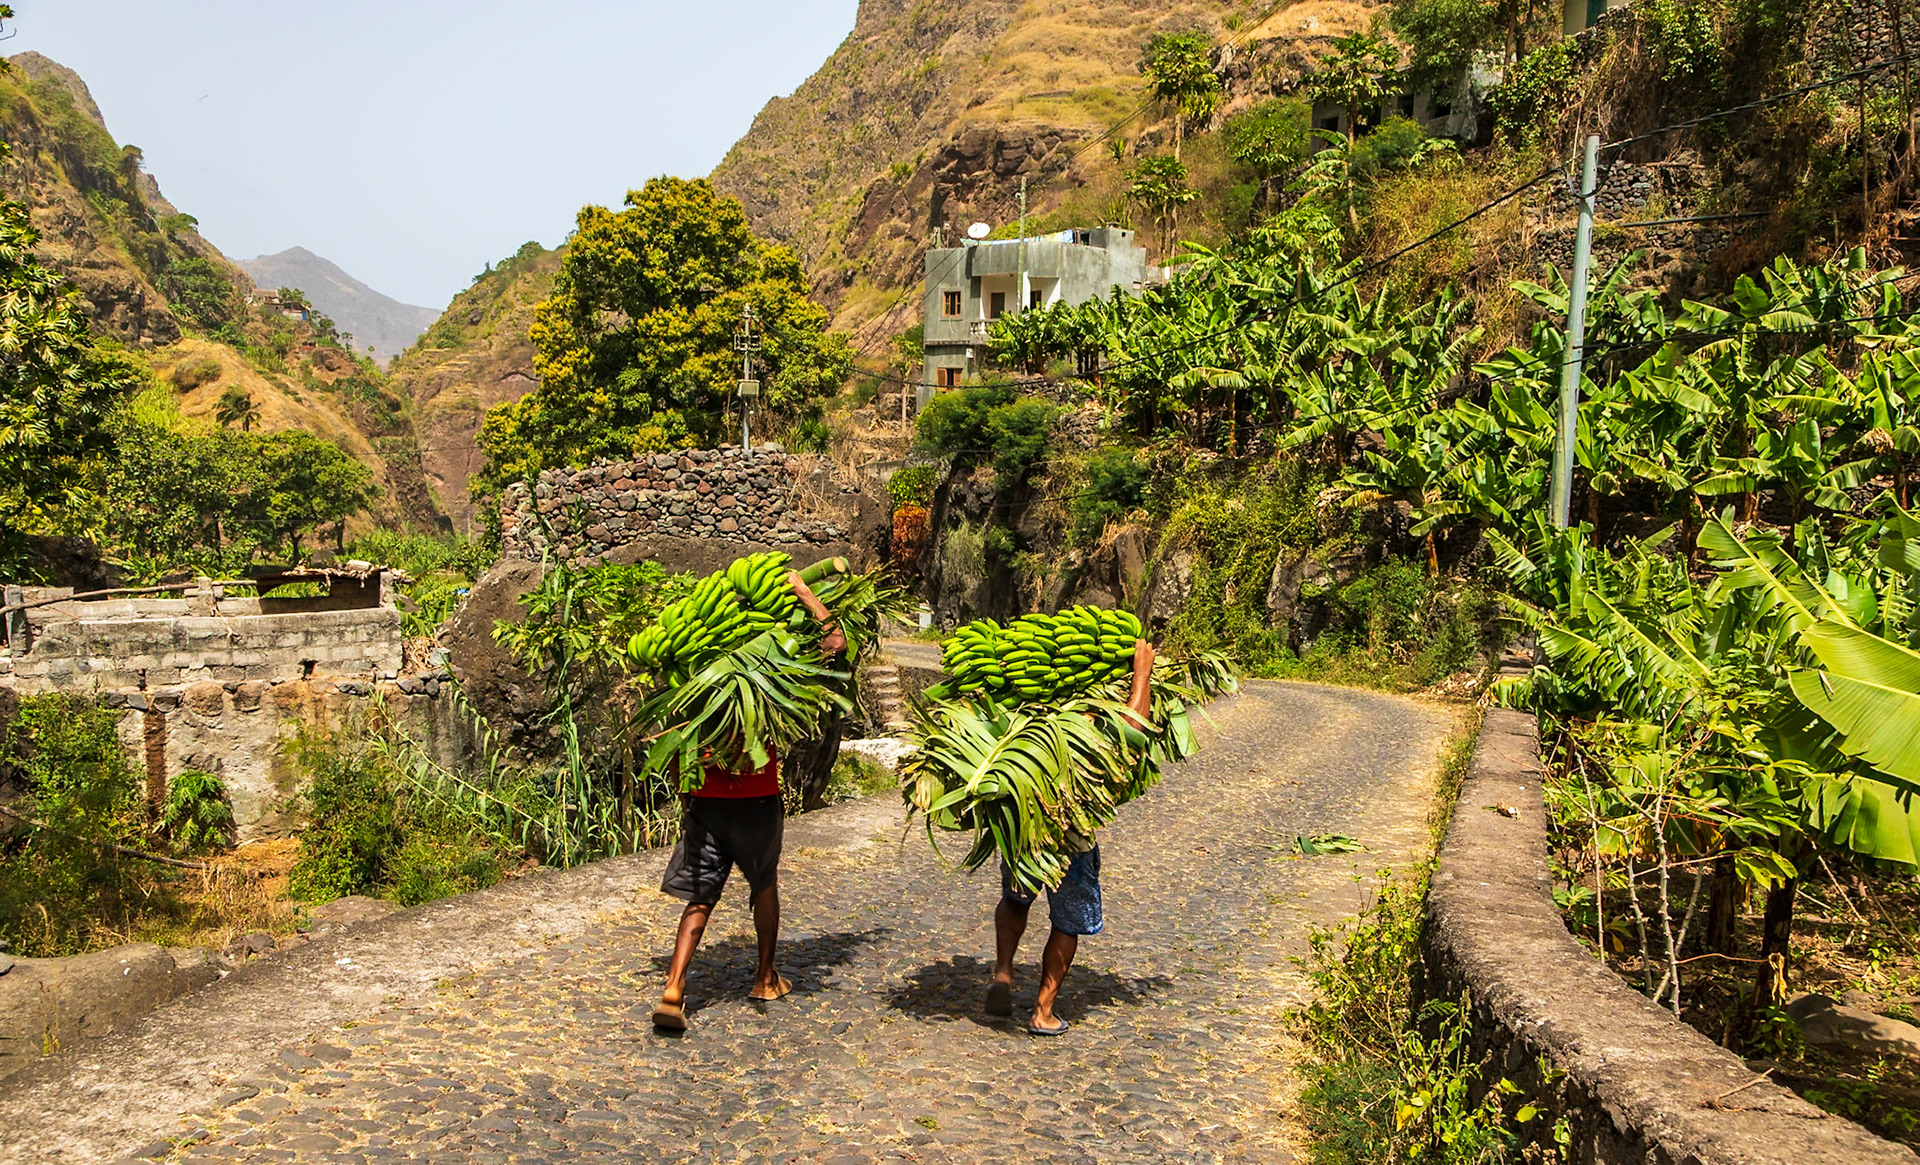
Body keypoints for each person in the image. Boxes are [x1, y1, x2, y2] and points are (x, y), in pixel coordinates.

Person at [651, 569, 846, 1033]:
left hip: (707, 799)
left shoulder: (696, 669)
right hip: (757, 798)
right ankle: (764, 977)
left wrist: (686, 795)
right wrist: (803, 592)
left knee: (700, 898)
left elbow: (676, 739)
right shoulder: (771, 666)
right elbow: (835, 644)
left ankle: (674, 987)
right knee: (764, 883)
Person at [987, 637, 1154, 1036]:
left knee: (1015, 899)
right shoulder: (1088, 713)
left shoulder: (1027, 706)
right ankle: (1042, 1012)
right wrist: (1142, 674)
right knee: (1068, 922)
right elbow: (1133, 730)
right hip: (1071, 834)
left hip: (1025, 825)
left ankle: (1004, 973)